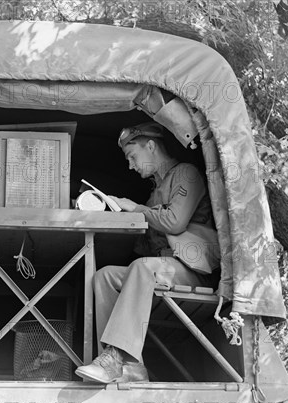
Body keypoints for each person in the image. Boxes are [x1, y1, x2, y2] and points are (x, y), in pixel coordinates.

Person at [75, 122, 219, 384]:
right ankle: (128, 366)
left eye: (132, 157)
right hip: (161, 270)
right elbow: (146, 243)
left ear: (151, 146)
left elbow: (175, 221)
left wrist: (135, 209)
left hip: (192, 270)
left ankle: (114, 360)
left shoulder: (186, 174)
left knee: (142, 268)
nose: (131, 166)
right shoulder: (154, 193)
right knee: (105, 276)